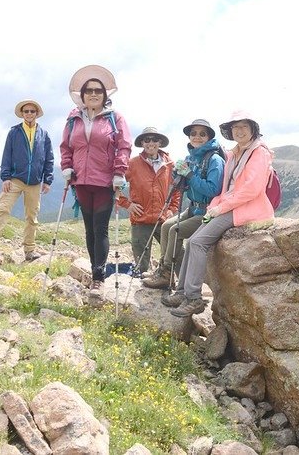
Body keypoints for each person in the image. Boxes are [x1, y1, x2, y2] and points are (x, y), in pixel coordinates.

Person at [165, 111, 274, 317]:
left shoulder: (259, 153)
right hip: (229, 205)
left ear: (253, 130)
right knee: (192, 241)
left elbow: (250, 190)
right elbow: (225, 188)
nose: (239, 131)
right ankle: (182, 291)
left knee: (198, 242)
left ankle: (194, 298)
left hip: (246, 208)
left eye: (244, 127)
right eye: (235, 128)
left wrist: (219, 208)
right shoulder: (236, 153)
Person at [60, 65, 132, 291]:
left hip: (104, 182)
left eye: (98, 91)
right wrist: (66, 167)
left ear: (104, 95)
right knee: (89, 229)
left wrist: (120, 171)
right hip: (81, 181)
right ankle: (94, 269)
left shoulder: (115, 118)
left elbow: (124, 146)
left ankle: (99, 276)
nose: (93, 94)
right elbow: (66, 146)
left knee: (100, 228)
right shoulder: (74, 119)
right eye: (89, 90)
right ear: (82, 95)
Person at [142, 118, 224, 290]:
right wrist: (178, 177)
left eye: (202, 134)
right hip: (193, 208)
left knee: (175, 230)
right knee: (166, 226)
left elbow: (213, 190)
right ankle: (164, 271)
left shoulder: (214, 159)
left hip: (207, 211)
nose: (197, 137)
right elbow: (186, 187)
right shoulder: (191, 157)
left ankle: (166, 273)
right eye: (193, 133)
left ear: (209, 137)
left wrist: (190, 176)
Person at [0, 100, 54, 262]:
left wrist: (48, 179)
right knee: (2, 208)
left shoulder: (44, 134)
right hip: (15, 179)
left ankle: (29, 250)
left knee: (31, 216)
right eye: (26, 111)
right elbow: (7, 154)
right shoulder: (14, 132)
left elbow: (49, 158)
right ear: (22, 114)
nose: (29, 114)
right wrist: (6, 177)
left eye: (32, 111)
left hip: (35, 182)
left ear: (37, 114)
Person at [116, 127, 180, 275]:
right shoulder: (132, 163)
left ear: (160, 142)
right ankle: (141, 287)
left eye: (154, 139)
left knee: (172, 254)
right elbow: (114, 186)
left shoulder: (170, 164)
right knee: (141, 263)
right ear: (142, 143)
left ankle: (177, 284)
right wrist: (127, 204)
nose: (151, 143)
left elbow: (177, 189)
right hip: (140, 220)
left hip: (163, 219)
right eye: (147, 140)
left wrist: (172, 209)